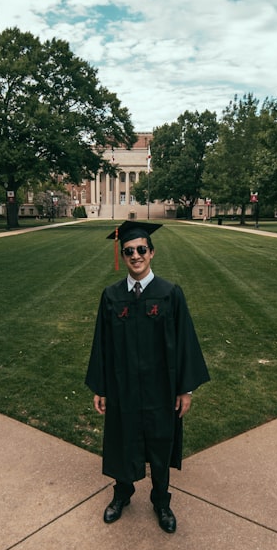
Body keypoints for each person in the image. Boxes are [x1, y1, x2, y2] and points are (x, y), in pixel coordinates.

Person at [85, 221, 210, 533]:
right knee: (123, 439)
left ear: (151, 253)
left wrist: (186, 390)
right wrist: (100, 387)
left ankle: (161, 501)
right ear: (123, 256)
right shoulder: (112, 296)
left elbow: (185, 343)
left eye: (141, 249)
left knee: (159, 442)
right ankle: (122, 494)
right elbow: (101, 343)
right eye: (129, 251)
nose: (135, 256)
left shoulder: (170, 294)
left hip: (160, 388)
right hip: (122, 386)